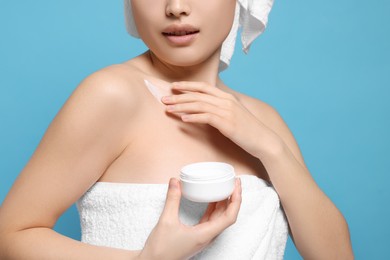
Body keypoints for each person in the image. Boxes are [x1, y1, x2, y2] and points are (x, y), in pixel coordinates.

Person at [0, 0, 354, 259]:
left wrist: (269, 148)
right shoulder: (113, 95)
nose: (176, 7)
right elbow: (10, 236)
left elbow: (335, 255)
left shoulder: (262, 120)